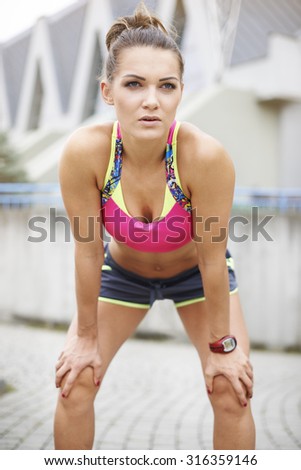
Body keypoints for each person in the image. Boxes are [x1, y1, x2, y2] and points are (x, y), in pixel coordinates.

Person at [54, 2, 255, 450]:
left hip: (197, 278)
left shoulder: (205, 157)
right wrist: (85, 338)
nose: (151, 100)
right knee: (76, 380)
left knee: (231, 391)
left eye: (166, 86)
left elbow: (212, 258)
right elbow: (88, 250)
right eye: (134, 84)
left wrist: (223, 350)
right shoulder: (86, 153)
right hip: (123, 276)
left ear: (181, 91)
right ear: (108, 91)